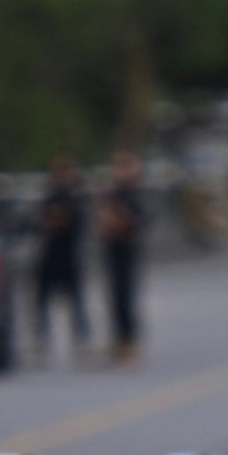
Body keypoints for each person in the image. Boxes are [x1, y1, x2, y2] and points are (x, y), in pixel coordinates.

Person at [28, 157, 89, 364]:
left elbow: (72, 221)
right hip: (50, 254)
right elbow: (43, 221)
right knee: (42, 299)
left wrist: (59, 218)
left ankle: (81, 341)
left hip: (69, 254)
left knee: (76, 300)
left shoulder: (77, 197)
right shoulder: (50, 196)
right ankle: (41, 340)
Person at [95, 150, 147, 366]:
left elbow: (135, 222)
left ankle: (129, 340)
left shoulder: (132, 195)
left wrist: (120, 221)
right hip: (112, 250)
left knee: (126, 296)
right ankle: (119, 340)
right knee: (114, 297)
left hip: (127, 250)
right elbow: (102, 221)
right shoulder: (113, 194)